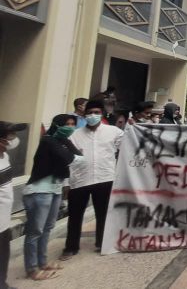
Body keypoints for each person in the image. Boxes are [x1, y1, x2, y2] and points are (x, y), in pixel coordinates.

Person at [62, 99, 124, 258]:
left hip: (105, 178)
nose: (93, 115)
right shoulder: (74, 135)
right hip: (80, 181)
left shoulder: (114, 132)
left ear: (102, 114)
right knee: (75, 216)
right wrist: (66, 184)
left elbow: (129, 147)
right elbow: (67, 160)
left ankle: (101, 243)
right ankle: (71, 247)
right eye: (89, 112)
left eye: (96, 113)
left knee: (103, 214)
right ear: (84, 114)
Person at [24, 115, 83, 280]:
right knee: (35, 231)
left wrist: (67, 142)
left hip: (55, 189)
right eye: (67, 124)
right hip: (39, 190)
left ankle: (42, 262)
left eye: (73, 124)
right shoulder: (48, 141)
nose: (70, 127)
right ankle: (31, 268)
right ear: (57, 125)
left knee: (47, 228)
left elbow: (78, 156)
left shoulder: (61, 141)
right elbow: (71, 158)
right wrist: (75, 155)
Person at [0, 121, 25, 288]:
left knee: (2, 254)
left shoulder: (5, 156)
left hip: (4, 219)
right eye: (10, 135)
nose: (14, 139)